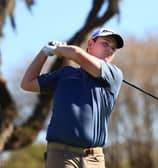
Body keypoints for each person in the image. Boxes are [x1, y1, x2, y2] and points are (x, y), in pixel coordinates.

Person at [21, 27, 124, 168]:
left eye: (113, 48)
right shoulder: (65, 74)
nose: (110, 50)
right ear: (90, 44)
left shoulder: (113, 75)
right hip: (61, 155)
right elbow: (27, 83)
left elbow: (76, 53)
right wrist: (44, 52)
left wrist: (57, 50)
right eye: (105, 44)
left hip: (95, 159)